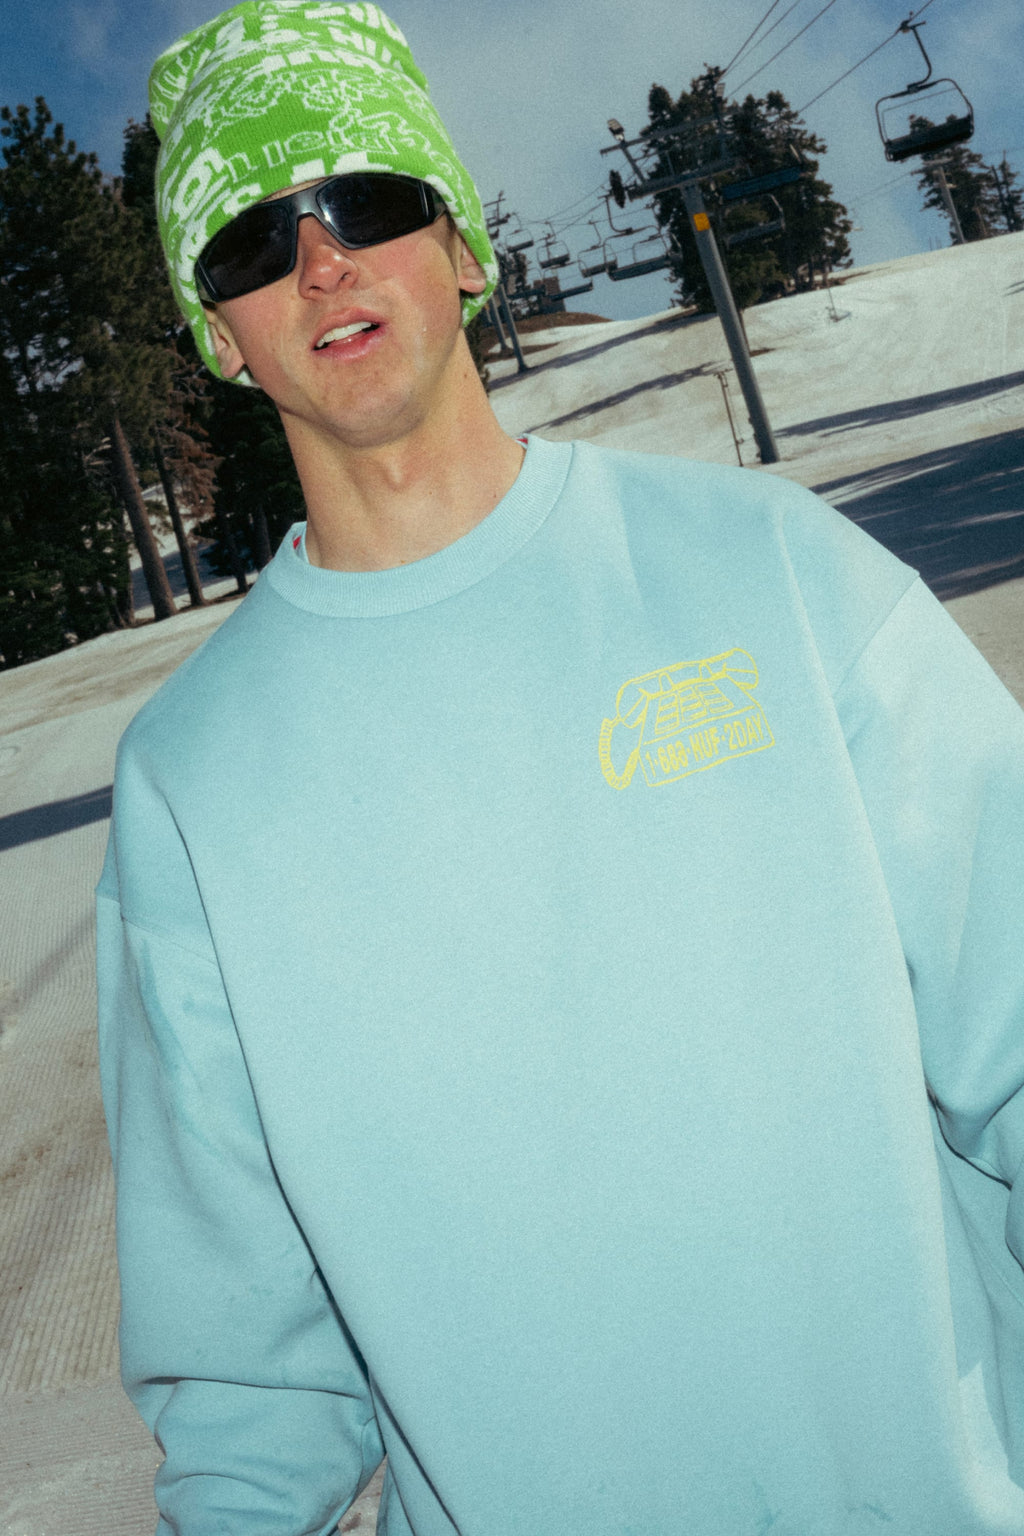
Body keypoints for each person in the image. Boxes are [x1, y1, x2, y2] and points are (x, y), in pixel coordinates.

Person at [96, 4, 1024, 1534]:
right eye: (256, 239)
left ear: (461, 245)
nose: (322, 261)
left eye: (366, 201)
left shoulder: (775, 574)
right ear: (217, 332)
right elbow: (248, 1384)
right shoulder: (191, 787)